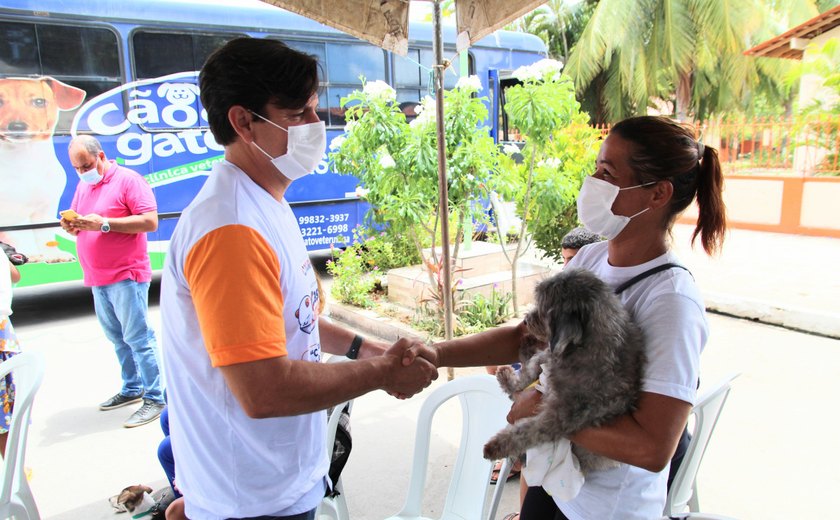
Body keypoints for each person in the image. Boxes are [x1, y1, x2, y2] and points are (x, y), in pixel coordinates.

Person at [160, 37, 437, 520]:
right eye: (298, 115)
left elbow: (297, 321)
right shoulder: (231, 230)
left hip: (278, 477)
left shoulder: (266, 200)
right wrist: (381, 373)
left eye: (314, 110)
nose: (318, 126)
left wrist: (369, 349)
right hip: (252, 497)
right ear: (244, 122)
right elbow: (264, 390)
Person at [408, 115, 726, 519]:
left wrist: (543, 414)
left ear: (658, 194)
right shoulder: (591, 258)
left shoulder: (670, 302)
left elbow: (653, 447)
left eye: (607, 173)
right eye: (596, 167)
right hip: (558, 483)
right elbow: (526, 336)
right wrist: (434, 353)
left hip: (606, 509)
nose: (592, 181)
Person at [59, 135, 164, 428]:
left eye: (87, 165)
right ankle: (132, 388)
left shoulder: (129, 180)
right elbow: (83, 222)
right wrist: (73, 225)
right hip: (98, 276)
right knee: (118, 338)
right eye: (77, 168)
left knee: (138, 338)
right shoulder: (84, 185)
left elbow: (150, 221)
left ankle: (156, 398)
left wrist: (104, 224)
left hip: (126, 274)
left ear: (101, 156)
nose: (82, 172)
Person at [0, 251, 22, 457]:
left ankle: (14, 474)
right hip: (4, 333)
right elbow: (15, 275)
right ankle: (14, 471)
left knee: (3, 413)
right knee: (5, 412)